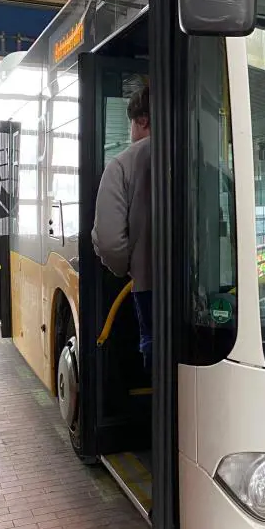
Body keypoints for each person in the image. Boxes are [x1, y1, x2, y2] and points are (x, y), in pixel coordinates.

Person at [92, 84, 152, 370]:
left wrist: (126, 268)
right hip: (202, 289)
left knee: (155, 353)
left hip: (149, 287)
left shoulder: (122, 164)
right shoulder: (198, 153)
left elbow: (109, 241)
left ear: (142, 120)